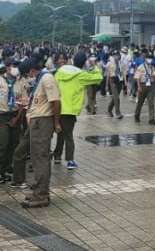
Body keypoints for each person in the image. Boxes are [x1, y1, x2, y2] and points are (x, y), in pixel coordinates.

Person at [20, 55, 62, 206]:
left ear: (32, 71)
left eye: (27, 74)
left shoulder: (46, 78)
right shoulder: (40, 79)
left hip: (43, 121)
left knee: (41, 157)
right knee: (36, 157)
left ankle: (42, 195)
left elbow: (56, 101)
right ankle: (39, 189)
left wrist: (56, 123)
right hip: (37, 121)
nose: (27, 77)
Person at [56, 50, 103, 168]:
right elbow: (98, 77)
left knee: (61, 133)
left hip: (57, 107)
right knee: (69, 136)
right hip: (70, 110)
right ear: (83, 62)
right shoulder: (81, 75)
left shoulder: (60, 71)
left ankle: (57, 155)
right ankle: (70, 160)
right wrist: (94, 66)